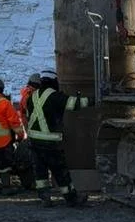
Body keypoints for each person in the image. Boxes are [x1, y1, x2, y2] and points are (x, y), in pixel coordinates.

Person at [24, 71, 89, 205]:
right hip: (50, 142)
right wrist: (93, 100)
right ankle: (71, 198)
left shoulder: (32, 96)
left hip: (34, 141)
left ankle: (45, 198)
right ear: (54, 81)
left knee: (40, 171)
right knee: (60, 170)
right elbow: (74, 104)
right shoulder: (55, 96)